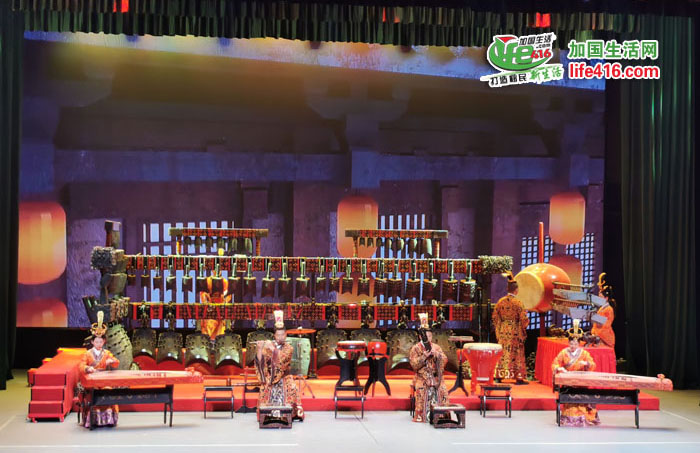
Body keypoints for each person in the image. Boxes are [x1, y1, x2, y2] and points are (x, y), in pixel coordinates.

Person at [255, 310, 304, 421]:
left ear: (286, 335)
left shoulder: (289, 348)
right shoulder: (268, 347)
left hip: (284, 377)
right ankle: (266, 414)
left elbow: (282, 359)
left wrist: (272, 348)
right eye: (278, 335)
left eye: (283, 335)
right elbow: (261, 362)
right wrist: (259, 349)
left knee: (292, 388)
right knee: (265, 388)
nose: (280, 337)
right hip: (271, 377)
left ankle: (290, 414)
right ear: (274, 335)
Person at [551, 320, 600, 427]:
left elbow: (592, 364)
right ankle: (569, 417)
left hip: (581, 381)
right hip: (569, 381)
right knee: (570, 400)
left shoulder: (584, 353)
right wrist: (559, 368)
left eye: (575, 344)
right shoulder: (564, 352)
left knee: (582, 398)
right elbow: (555, 363)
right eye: (571, 343)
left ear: (579, 344)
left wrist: (586, 363)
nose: (573, 346)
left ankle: (583, 416)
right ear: (569, 343)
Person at [79, 311, 120, 429]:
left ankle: (108, 419)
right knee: (94, 393)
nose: (99, 344)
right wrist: (88, 368)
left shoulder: (106, 353)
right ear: (92, 342)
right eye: (96, 341)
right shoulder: (88, 354)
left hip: (104, 379)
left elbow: (116, 362)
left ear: (104, 342)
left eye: (101, 341)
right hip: (92, 380)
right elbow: (81, 365)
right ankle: (94, 420)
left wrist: (111, 361)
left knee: (108, 391)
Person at [409, 313, 449, 423]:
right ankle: (422, 415)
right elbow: (414, 365)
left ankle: (441, 416)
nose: (429, 338)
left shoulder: (436, 347)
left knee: (442, 389)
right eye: (426, 336)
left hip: (436, 377)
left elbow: (445, 360)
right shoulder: (415, 348)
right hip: (422, 377)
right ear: (421, 337)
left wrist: (437, 355)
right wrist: (424, 357)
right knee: (422, 389)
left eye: (430, 336)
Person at [493, 271, 529, 383]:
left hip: (503, 330)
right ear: (516, 290)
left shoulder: (500, 302)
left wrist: (499, 329)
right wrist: (523, 330)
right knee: (516, 353)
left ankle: (499, 376)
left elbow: (495, 317)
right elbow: (523, 319)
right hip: (515, 331)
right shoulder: (518, 303)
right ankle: (518, 377)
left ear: (507, 289)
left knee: (503, 352)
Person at [200, 271, 232, 341]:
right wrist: (206, 303)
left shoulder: (224, 281)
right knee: (208, 329)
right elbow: (202, 294)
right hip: (210, 310)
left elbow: (228, 295)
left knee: (220, 331)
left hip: (220, 310)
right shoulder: (208, 281)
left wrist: (224, 302)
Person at [591, 273, 615, 349]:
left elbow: (605, 325)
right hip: (598, 337)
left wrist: (596, 333)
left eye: (600, 297)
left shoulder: (609, 309)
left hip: (605, 338)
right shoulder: (602, 308)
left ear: (606, 298)